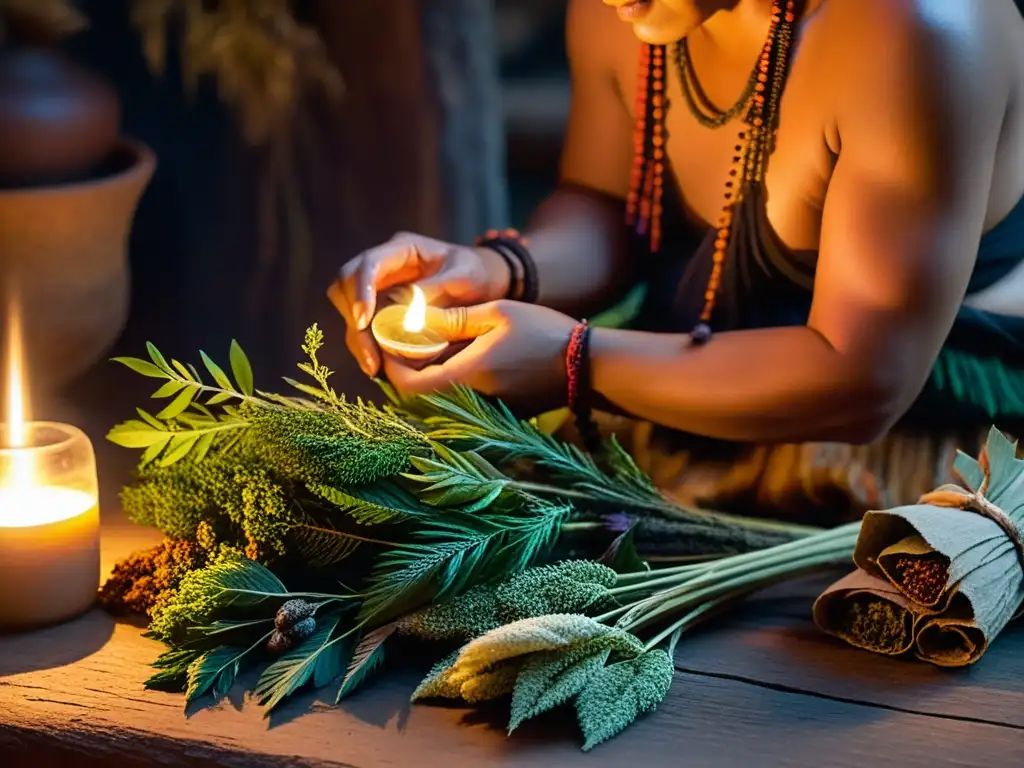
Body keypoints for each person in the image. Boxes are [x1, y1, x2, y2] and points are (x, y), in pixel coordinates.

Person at [329, 0, 1024, 525]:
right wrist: (500, 270)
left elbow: (866, 382)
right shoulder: (636, 15)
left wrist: (574, 361)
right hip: (683, 400)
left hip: (923, 465)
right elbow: (608, 204)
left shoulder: (913, 30)